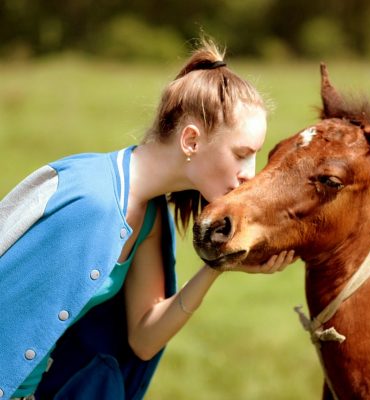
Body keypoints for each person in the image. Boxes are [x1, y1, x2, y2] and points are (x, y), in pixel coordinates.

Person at [0, 38, 296, 400]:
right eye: (241, 154)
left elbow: (143, 338)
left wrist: (217, 266)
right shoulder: (92, 201)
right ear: (191, 140)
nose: (250, 174)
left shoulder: (152, 216)